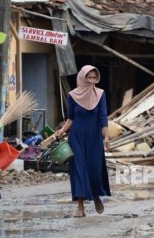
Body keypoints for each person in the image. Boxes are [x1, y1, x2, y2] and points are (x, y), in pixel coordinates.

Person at [55, 65, 111, 217]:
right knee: (79, 170)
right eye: (89, 78)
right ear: (82, 78)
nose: (92, 81)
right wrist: (62, 130)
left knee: (94, 170)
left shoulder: (100, 94)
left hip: (94, 138)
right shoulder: (72, 95)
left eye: (94, 78)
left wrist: (106, 136)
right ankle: (80, 207)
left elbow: (103, 117)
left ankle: (96, 196)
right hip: (77, 138)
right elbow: (71, 118)